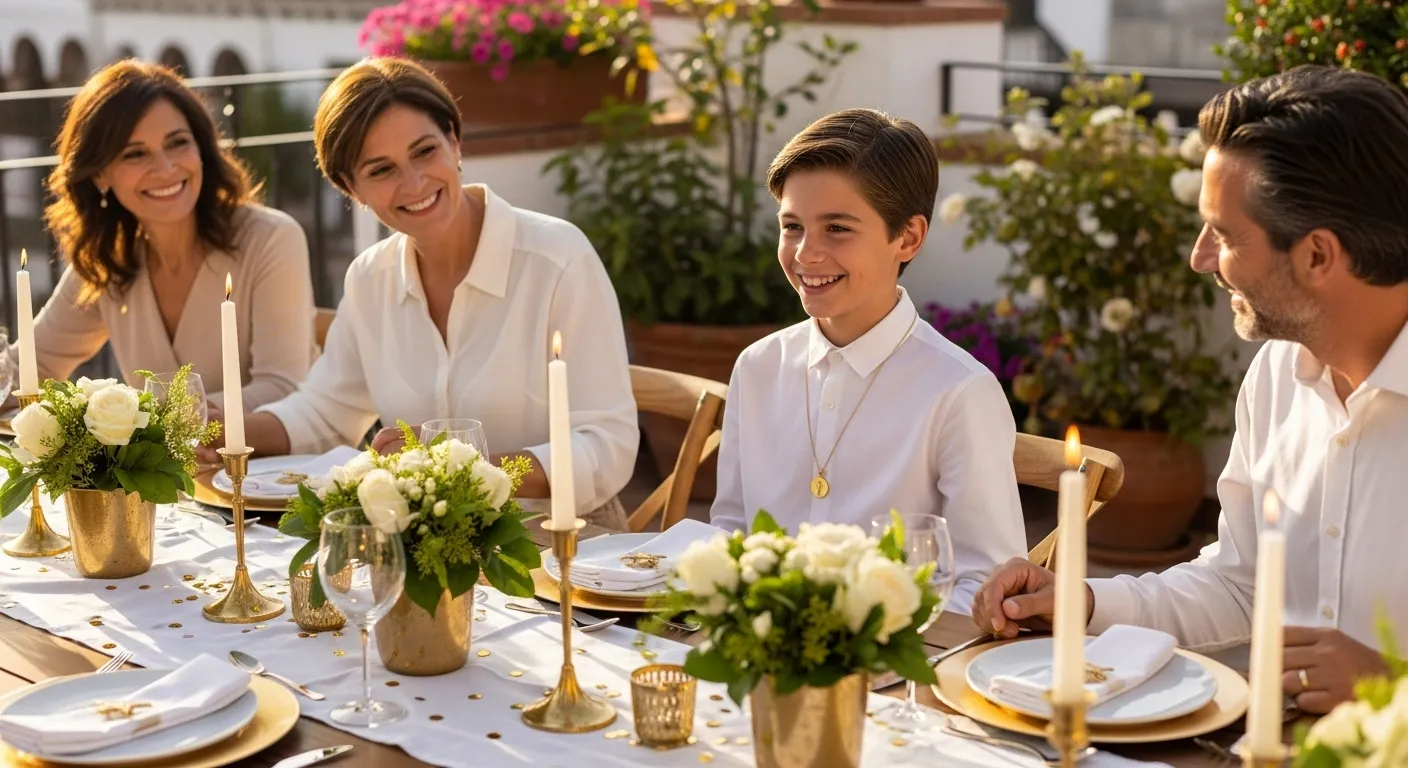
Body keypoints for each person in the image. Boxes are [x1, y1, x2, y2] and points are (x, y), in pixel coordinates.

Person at [970, 66, 1408, 714]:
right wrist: (1081, 603)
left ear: (1318, 256)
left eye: (1225, 235)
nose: (1201, 258)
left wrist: (1394, 691)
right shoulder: (1276, 378)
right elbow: (1239, 588)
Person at [215, 58, 638, 529]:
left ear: (454, 142)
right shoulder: (369, 279)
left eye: (424, 151)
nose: (414, 183)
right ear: (351, 188)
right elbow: (325, 411)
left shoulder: (558, 259)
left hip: (560, 546)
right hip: (426, 545)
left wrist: (470, 468)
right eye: (382, 170)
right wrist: (223, 429)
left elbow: (608, 444)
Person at [709, 108, 1027, 613]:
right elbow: (730, 532)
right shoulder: (758, 367)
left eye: (837, 228)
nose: (806, 253)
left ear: (908, 237)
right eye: (792, 227)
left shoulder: (958, 392)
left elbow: (983, 588)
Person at [23, 59, 315, 408]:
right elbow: (30, 367)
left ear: (202, 150)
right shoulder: (108, 261)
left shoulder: (271, 239)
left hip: (285, 462)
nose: (165, 168)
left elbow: (284, 389)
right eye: (135, 154)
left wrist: (136, 423)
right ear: (100, 174)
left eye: (177, 143)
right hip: (165, 464)